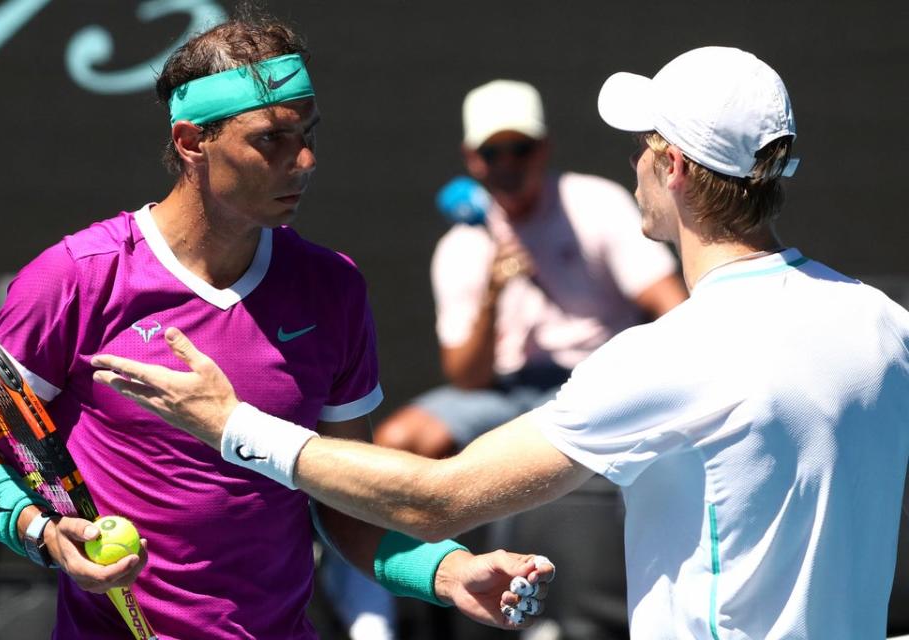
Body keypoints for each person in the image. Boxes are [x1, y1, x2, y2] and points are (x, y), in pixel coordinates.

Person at [93, 46, 909, 639]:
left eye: (644, 149)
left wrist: (231, 423)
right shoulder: (884, 323)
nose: (634, 166)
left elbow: (436, 500)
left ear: (678, 173)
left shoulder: (672, 356)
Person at [0, 13, 555, 640]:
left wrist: (446, 569)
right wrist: (41, 533)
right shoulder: (76, 277)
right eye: (271, 140)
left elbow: (343, 502)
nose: (305, 160)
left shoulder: (332, 288)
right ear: (192, 142)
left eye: (308, 134)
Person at [374, 79, 687, 460]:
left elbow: (670, 302)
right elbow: (467, 379)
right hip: (506, 394)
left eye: (520, 149)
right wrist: (493, 293)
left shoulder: (594, 202)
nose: (508, 164)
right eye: (492, 153)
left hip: (599, 380)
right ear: (471, 158)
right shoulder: (460, 245)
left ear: (544, 149)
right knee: (400, 443)